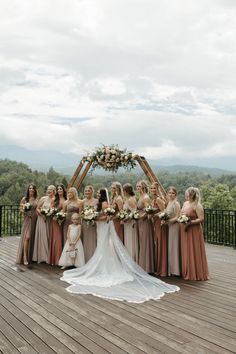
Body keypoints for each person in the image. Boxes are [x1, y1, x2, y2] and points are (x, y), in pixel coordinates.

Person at [61, 188, 179, 303]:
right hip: (99, 227)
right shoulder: (101, 203)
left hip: (103, 226)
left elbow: (107, 217)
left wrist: (95, 218)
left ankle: (104, 267)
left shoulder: (105, 204)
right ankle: (102, 265)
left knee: (104, 245)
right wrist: (92, 217)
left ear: (102, 194)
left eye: (98, 193)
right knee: (102, 246)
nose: (96, 194)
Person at [180, 187, 209, 281]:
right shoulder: (185, 203)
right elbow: (181, 214)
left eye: (188, 194)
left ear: (193, 195)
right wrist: (182, 219)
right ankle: (187, 270)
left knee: (194, 249)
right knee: (187, 250)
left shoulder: (197, 205)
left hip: (194, 231)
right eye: (187, 194)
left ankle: (196, 272)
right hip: (185, 230)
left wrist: (190, 222)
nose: (187, 195)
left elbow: (201, 219)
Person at [32, 185, 56, 264]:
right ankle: (42, 257)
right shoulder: (43, 198)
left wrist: (49, 214)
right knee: (42, 237)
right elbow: (37, 208)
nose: (49, 191)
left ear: (54, 191)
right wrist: (42, 215)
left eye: (51, 190)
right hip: (41, 220)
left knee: (48, 237)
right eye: (48, 189)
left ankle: (47, 257)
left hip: (49, 220)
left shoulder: (55, 199)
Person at [16, 184, 38, 265]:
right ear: (28, 190)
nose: (31, 190)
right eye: (30, 188)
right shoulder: (24, 199)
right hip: (27, 219)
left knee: (32, 237)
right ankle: (25, 257)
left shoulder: (36, 199)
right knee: (27, 237)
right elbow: (20, 209)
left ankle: (31, 256)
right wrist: (25, 211)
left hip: (35, 220)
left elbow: (38, 208)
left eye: (33, 188)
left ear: (35, 190)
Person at [136, 180, 154, 273]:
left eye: (139, 186)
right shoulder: (141, 196)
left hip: (144, 222)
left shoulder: (146, 197)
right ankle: (142, 265)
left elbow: (149, 211)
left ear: (143, 187)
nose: (137, 188)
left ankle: (147, 267)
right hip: (140, 222)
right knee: (142, 242)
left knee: (145, 242)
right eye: (137, 186)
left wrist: (140, 217)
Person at [149, 182, 166, 276]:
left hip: (159, 223)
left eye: (154, 189)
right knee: (157, 242)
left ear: (157, 189)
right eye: (151, 189)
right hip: (155, 223)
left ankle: (161, 267)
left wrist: (154, 215)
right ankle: (157, 266)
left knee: (160, 243)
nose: (152, 190)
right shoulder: (153, 199)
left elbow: (163, 211)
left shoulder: (159, 199)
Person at [48, 184, 66, 266]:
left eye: (61, 189)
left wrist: (62, 217)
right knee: (57, 239)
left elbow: (66, 210)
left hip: (64, 221)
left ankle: (64, 259)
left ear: (63, 190)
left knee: (64, 238)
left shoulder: (66, 199)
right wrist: (55, 216)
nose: (59, 190)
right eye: (58, 189)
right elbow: (50, 210)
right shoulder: (54, 199)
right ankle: (56, 259)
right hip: (55, 221)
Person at [165, 187, 181, 277]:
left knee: (174, 247)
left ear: (175, 194)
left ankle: (176, 270)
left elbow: (177, 217)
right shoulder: (169, 203)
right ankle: (171, 269)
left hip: (175, 227)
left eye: (172, 193)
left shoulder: (176, 203)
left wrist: (169, 221)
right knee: (171, 247)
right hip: (169, 226)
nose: (170, 194)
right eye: (169, 193)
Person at [81, 185, 98, 262]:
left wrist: (93, 217)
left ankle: (93, 258)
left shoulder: (96, 201)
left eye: (88, 191)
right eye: (86, 191)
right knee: (85, 239)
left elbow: (98, 212)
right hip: (84, 223)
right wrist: (84, 216)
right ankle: (85, 258)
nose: (87, 192)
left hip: (93, 223)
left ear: (92, 192)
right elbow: (80, 213)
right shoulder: (82, 201)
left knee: (93, 240)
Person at [122, 183, 138, 262]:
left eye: (123, 190)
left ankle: (132, 260)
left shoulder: (130, 200)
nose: (123, 192)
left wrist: (125, 218)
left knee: (130, 242)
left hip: (130, 223)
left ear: (126, 191)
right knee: (128, 242)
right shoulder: (128, 199)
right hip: (126, 223)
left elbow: (134, 212)